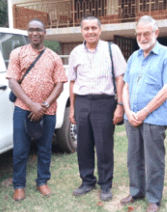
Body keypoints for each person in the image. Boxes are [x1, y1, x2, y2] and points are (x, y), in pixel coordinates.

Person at [120, 15, 167, 212]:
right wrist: (128, 111)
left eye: (147, 33)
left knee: (154, 160)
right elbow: (126, 87)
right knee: (133, 157)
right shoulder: (133, 57)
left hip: (153, 118)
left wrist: (144, 112)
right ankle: (136, 191)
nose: (142, 37)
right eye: (139, 34)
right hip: (132, 117)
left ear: (156, 33)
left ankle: (154, 197)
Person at [6, 19, 67, 201]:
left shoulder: (54, 57)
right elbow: (12, 81)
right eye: (31, 30)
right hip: (22, 109)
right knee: (20, 150)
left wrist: (44, 105)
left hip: (47, 111)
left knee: (45, 148)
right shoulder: (17, 54)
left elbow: (60, 85)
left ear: (44, 33)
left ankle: (42, 181)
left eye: (39, 30)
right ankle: (18, 185)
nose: (35, 33)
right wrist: (32, 105)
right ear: (27, 32)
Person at [68, 16, 127, 201]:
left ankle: (106, 185)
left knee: (104, 146)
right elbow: (72, 81)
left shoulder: (112, 49)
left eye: (94, 28)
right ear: (81, 31)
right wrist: (72, 109)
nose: (90, 31)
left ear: (100, 30)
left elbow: (120, 78)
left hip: (105, 102)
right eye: (86, 28)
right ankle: (87, 181)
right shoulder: (75, 52)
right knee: (83, 144)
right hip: (82, 102)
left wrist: (120, 105)